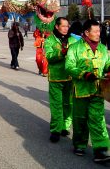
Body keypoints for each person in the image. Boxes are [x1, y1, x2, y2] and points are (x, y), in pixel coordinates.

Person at [65, 19, 110, 163]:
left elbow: (107, 64)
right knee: (80, 120)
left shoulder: (103, 48)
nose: (99, 34)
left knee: (98, 120)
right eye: (95, 31)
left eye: (99, 31)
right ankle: (79, 144)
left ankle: (101, 150)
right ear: (86, 32)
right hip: (81, 90)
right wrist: (84, 74)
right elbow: (69, 66)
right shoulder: (75, 48)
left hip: (98, 90)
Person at [44, 17, 78, 143]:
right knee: (56, 105)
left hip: (70, 77)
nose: (66, 28)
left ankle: (65, 125)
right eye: (63, 26)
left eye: (67, 26)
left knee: (68, 104)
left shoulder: (74, 40)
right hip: (56, 78)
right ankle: (55, 129)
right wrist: (62, 53)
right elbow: (49, 57)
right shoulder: (50, 40)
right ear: (57, 26)